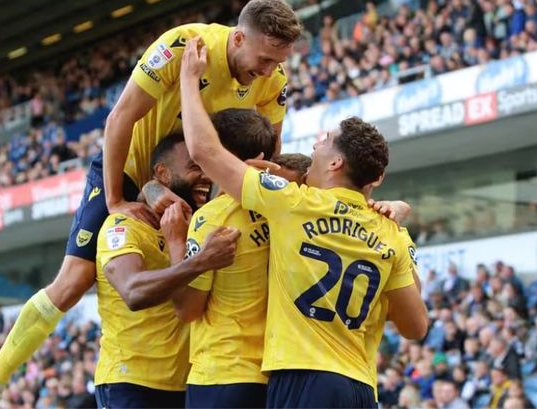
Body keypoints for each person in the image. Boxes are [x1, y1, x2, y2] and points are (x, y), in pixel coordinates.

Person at [0, 0, 302, 409]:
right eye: (264, 58)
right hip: (131, 167)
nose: (268, 70)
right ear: (237, 39)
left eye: (277, 62)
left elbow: (268, 146)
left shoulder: (274, 77)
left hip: (190, 179)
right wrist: (117, 198)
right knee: (73, 281)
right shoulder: (183, 46)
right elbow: (119, 117)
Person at [178, 38, 427, 408]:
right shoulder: (390, 229)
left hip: (302, 379)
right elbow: (415, 327)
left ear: (335, 164)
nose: (316, 143)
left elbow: (204, 152)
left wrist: (188, 80)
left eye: (325, 140)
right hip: (361, 388)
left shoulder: (293, 204)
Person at [93, 132, 241, 409]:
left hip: (190, 382)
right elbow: (133, 291)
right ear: (162, 173)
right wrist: (200, 261)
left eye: (206, 166)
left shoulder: (201, 222)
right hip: (131, 383)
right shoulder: (124, 226)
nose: (206, 176)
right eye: (195, 167)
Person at [170, 109, 294, 408]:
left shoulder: (211, 218)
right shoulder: (291, 206)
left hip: (221, 373)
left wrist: (176, 242)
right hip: (276, 374)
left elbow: (187, 309)